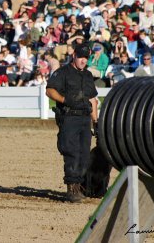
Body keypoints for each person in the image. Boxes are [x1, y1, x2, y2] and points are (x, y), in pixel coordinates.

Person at [46, 45, 98, 203]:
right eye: (81, 57)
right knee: (71, 153)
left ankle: (78, 185)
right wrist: (63, 100)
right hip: (69, 118)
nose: (84, 60)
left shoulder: (88, 75)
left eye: (86, 58)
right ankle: (71, 188)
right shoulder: (62, 73)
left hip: (84, 119)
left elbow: (92, 100)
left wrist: (95, 121)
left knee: (84, 153)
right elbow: (50, 90)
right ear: (74, 55)